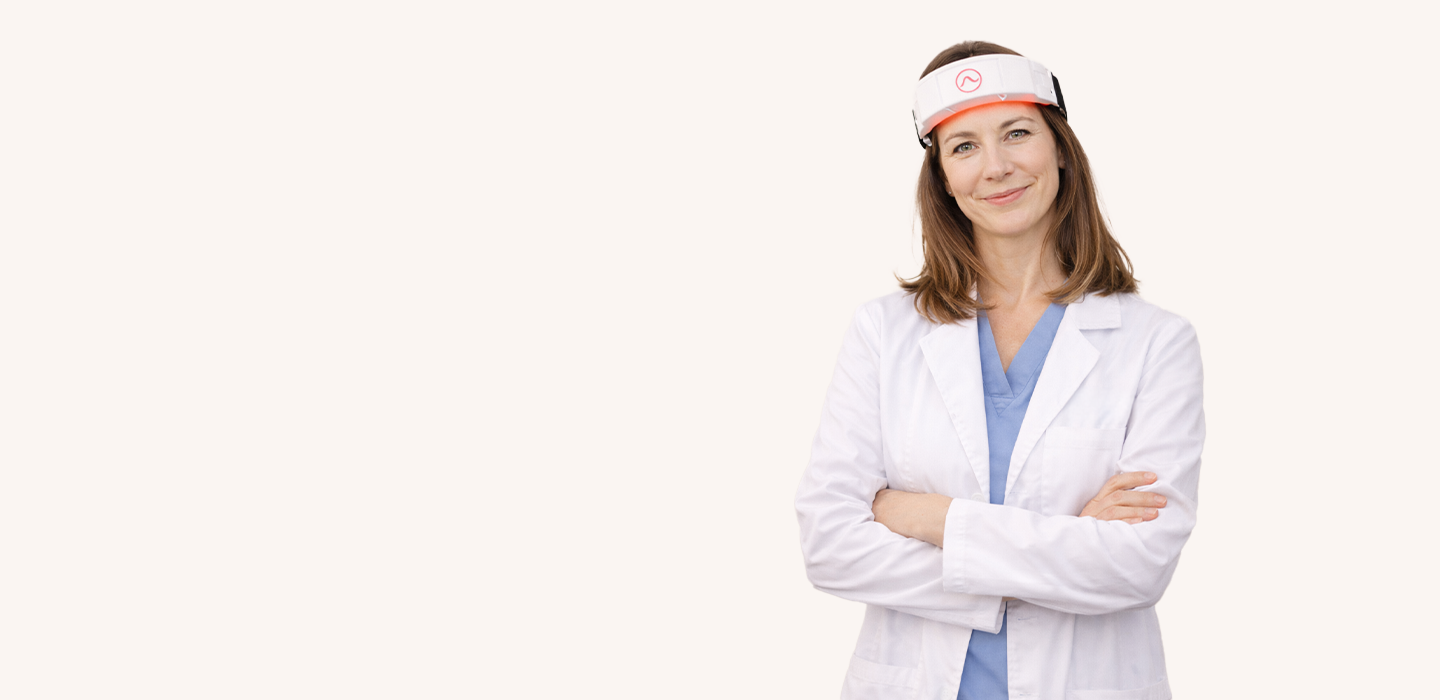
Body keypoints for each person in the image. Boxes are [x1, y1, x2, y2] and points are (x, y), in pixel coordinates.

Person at [794, 41, 1204, 700]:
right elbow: (831, 546)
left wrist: (924, 516)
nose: (997, 167)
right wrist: (1064, 550)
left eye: (1017, 133)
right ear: (944, 181)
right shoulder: (884, 333)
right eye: (964, 147)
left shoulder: (1155, 343)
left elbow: (1137, 566)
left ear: (1061, 148)